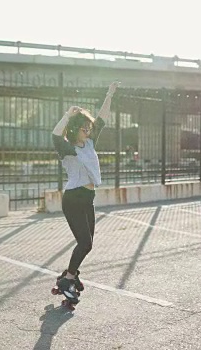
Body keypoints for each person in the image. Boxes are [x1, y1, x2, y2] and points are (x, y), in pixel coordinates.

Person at [51, 81, 119, 305]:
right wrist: (67, 114)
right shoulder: (68, 149)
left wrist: (109, 93)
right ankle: (68, 278)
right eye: (84, 128)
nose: (88, 130)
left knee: (88, 243)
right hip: (73, 199)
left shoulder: (89, 144)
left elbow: (102, 119)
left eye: (88, 128)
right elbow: (54, 136)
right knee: (85, 243)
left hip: (88, 198)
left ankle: (69, 274)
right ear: (74, 130)